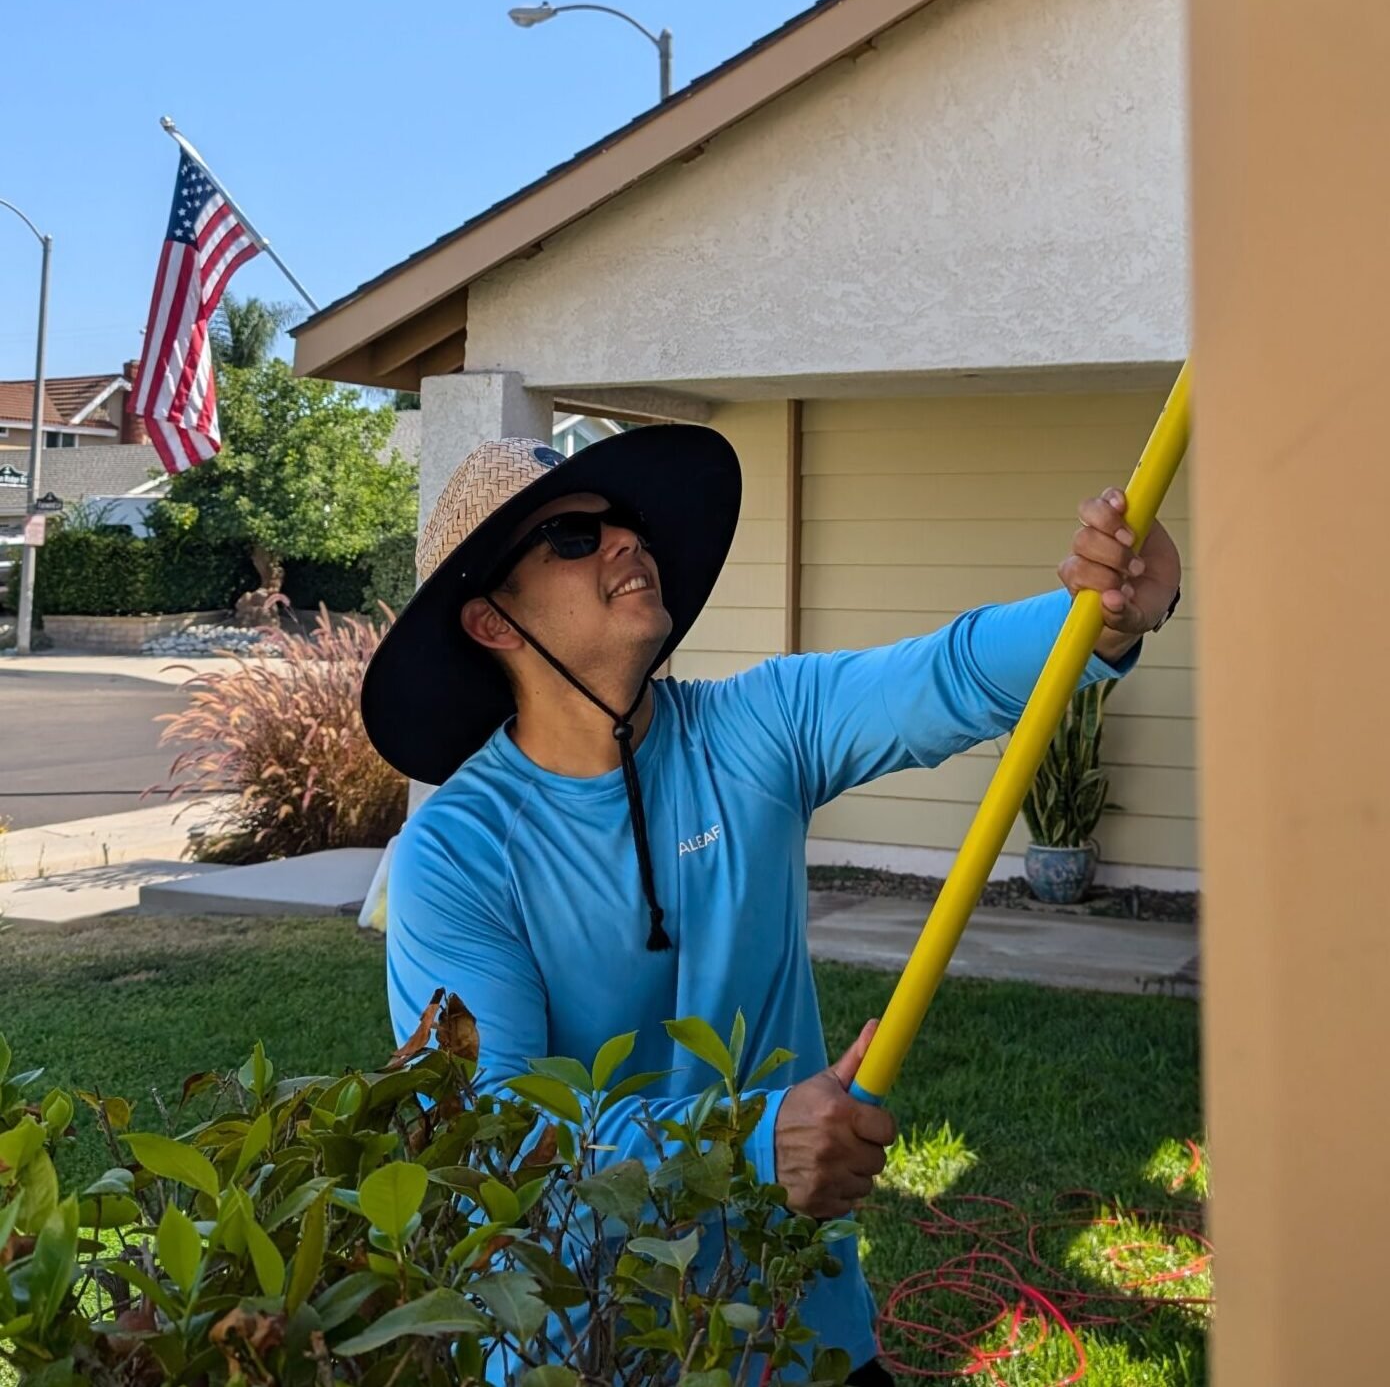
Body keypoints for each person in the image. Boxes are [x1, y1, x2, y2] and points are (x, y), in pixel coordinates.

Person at [364, 428, 1182, 1384]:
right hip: (593, 1353)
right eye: (573, 539)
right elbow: (500, 1146)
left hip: (806, 1334)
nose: (626, 540)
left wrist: (1106, 619)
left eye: (624, 522)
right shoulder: (456, 854)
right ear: (494, 623)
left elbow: (952, 673)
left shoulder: (758, 728)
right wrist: (754, 1143)